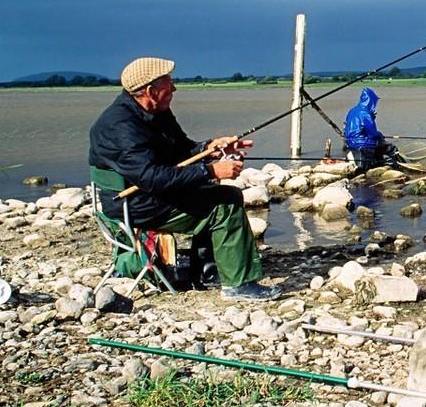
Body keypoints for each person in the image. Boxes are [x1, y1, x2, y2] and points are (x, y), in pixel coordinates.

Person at [88, 57, 282, 301]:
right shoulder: (120, 127)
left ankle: (206, 272)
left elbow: (182, 149)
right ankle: (238, 285)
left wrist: (211, 148)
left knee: (210, 190)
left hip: (147, 194)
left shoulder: (155, 111)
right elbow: (152, 178)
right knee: (225, 202)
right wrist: (211, 171)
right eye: (169, 83)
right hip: (134, 204)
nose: (175, 88)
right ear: (151, 90)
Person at [343, 87, 398, 171]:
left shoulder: (352, 110)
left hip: (350, 142)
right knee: (391, 148)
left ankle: (378, 163)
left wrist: (372, 117)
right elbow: (373, 133)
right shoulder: (365, 113)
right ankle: (399, 166)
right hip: (363, 142)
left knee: (379, 144)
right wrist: (380, 135)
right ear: (370, 101)